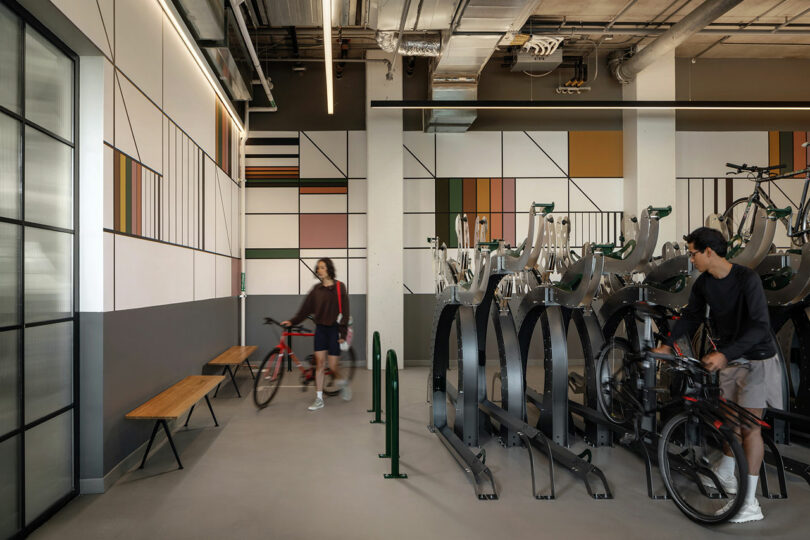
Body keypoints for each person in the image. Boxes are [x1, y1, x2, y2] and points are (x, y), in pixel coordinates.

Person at [652, 227, 782, 523]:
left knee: (750, 429)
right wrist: (668, 344)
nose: (691, 258)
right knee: (729, 422)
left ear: (709, 251)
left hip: (757, 360)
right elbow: (692, 316)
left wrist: (725, 354)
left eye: (693, 252)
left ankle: (749, 504)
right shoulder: (704, 284)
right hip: (731, 360)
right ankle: (725, 473)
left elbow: (761, 326)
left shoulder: (746, 279)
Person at [282, 258, 351, 411]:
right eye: (318, 268)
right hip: (320, 330)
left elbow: (345, 313)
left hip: (334, 330)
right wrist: (292, 321)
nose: (319, 270)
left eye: (322, 267)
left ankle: (342, 383)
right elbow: (305, 310)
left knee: (333, 367)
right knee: (319, 365)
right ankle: (319, 398)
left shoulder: (340, 287)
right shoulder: (316, 290)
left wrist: (343, 333)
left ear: (329, 269)